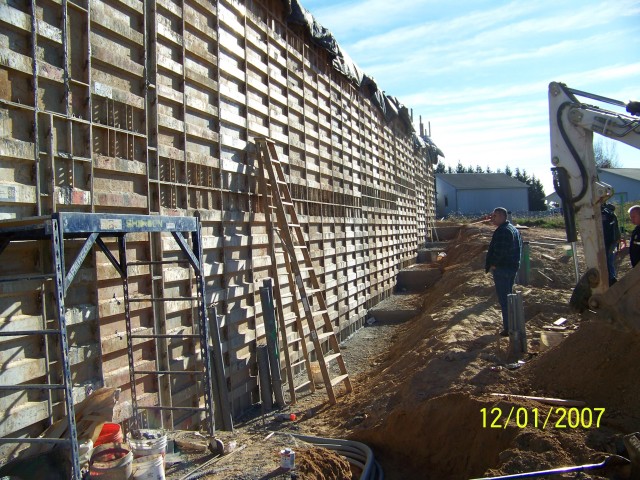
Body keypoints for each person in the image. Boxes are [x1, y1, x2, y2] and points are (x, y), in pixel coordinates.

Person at [485, 207, 522, 336]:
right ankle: (511, 325)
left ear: (501, 216)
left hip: (503, 269)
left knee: (505, 300)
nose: (492, 218)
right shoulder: (512, 229)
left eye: (494, 216)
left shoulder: (503, 231)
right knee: (508, 298)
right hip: (511, 268)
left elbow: (500, 251)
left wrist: (493, 264)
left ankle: (508, 328)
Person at [601, 203, 620, 285]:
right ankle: (611, 278)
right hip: (613, 241)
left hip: (610, 241)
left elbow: (607, 230)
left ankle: (611, 279)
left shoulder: (606, 214)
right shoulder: (611, 214)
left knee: (608, 260)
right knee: (609, 260)